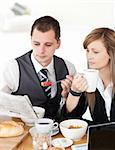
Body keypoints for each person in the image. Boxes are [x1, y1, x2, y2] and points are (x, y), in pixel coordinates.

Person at [0, 16, 76, 122]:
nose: (41, 50)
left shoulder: (68, 67)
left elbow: (70, 111)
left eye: (48, 45)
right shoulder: (13, 68)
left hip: (58, 131)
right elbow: (2, 105)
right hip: (25, 131)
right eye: (36, 44)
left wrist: (68, 96)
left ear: (58, 43)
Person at [66, 27, 115, 124]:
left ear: (111, 53)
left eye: (95, 52)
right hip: (102, 138)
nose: (89, 56)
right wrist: (74, 92)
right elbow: (70, 120)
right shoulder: (90, 80)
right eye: (87, 51)